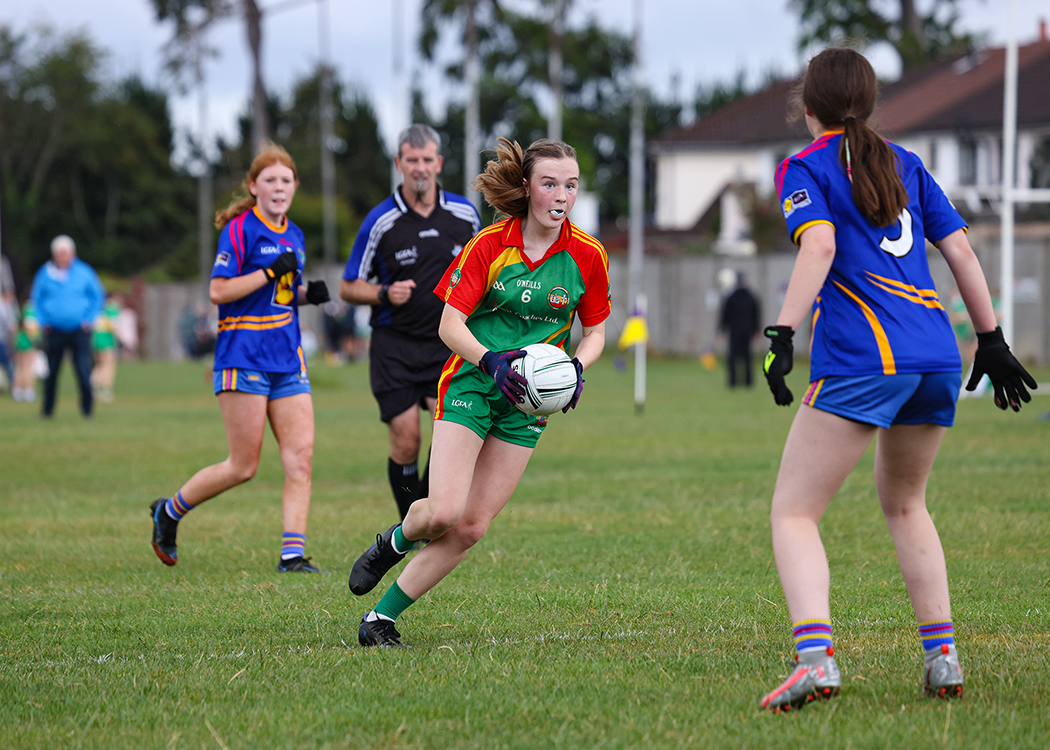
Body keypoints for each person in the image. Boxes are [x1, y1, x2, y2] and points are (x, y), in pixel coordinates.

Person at [757, 48, 1036, 712]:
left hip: (865, 359)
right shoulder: (906, 162)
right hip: (937, 357)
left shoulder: (804, 167)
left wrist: (782, 333)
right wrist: (991, 338)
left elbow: (820, 246)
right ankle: (943, 658)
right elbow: (960, 250)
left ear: (809, 106)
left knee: (794, 513)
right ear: (872, 100)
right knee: (907, 505)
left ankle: (816, 660)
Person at [346, 137, 610, 648]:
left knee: (469, 528)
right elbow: (450, 324)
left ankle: (380, 620)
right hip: (473, 380)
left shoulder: (587, 255)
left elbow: (596, 331)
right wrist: (490, 361)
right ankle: (394, 541)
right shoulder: (489, 244)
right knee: (442, 512)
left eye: (571, 185)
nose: (562, 195)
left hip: (527, 404)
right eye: (550, 183)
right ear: (527, 187)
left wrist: (577, 367)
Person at [149, 141, 332, 574]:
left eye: (286, 180)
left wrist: (306, 295)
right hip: (242, 357)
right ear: (254, 187)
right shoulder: (239, 230)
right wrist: (270, 271)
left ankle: (293, 556)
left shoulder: (296, 234)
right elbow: (219, 291)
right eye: (270, 180)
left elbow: (282, 293)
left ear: (294, 187)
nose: (279, 187)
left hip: (288, 358)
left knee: (300, 457)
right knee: (243, 466)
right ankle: (169, 512)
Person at [339, 124, 481, 520]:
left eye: (427, 160)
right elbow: (348, 286)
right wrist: (384, 293)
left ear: (438, 163)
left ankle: (422, 516)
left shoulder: (465, 215)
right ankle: (408, 521)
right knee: (406, 441)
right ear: (399, 164)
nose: (420, 168)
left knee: (447, 436)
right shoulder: (380, 221)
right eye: (411, 160)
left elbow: (483, 273)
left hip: (447, 345)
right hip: (395, 346)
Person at [29, 235, 105, 418]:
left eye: (66, 253)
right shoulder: (45, 273)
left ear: (73, 253)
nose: (63, 257)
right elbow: (36, 299)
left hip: (80, 329)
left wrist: (89, 319)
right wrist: (42, 321)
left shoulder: (84, 272)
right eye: (59, 254)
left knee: (82, 369)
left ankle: (87, 410)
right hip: (54, 329)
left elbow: (98, 297)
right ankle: (47, 411)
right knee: (52, 373)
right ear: (54, 255)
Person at [717, 270, 760, 388]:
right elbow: (756, 315)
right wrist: (756, 330)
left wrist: (721, 330)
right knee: (747, 357)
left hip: (735, 331)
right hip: (747, 331)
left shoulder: (732, 297)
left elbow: (725, 315)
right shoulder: (751, 296)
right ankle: (748, 382)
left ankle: (733, 382)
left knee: (733, 357)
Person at [91, 291, 122, 402]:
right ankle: (106, 389)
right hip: (107, 341)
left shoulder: (96, 309)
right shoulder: (111, 309)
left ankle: (91, 386)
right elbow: (115, 326)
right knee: (108, 365)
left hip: (94, 340)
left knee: (99, 365)